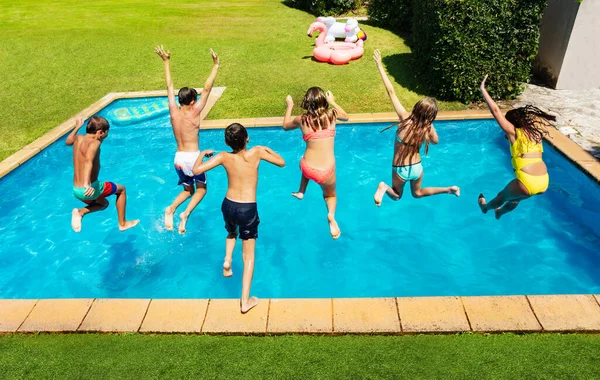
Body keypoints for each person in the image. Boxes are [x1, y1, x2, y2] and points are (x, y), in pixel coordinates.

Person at [192, 123, 285, 313]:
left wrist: (202, 154)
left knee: (231, 232)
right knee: (248, 257)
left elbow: (196, 170)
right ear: (247, 139)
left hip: (228, 205)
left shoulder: (224, 157)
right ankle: (245, 301)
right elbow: (281, 162)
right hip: (247, 208)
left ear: (227, 142)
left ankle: (227, 260)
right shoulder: (257, 152)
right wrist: (265, 148)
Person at [371, 49, 459, 206]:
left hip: (401, 168)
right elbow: (436, 141)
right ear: (431, 116)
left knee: (397, 195)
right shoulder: (427, 128)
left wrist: (379, 66)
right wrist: (429, 123)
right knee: (417, 193)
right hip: (417, 168)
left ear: (417, 108)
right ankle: (448, 190)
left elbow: (391, 92)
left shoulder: (404, 118)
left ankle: (383, 187)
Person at [155, 45, 220, 234]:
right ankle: (185, 214)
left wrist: (166, 62)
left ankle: (171, 208)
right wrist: (215, 65)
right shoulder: (195, 111)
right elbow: (207, 88)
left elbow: (169, 86)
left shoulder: (173, 112)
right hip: (193, 158)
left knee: (187, 190)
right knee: (201, 190)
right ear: (192, 101)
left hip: (178, 159)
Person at [478, 74, 555, 219]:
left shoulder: (515, 133)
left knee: (501, 196)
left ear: (513, 123)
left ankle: (485, 208)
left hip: (528, 181)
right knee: (515, 198)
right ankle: (500, 213)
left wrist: (483, 90)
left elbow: (495, 111)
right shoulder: (535, 134)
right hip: (544, 181)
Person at [282, 87, 349, 239]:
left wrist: (289, 106)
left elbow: (285, 126)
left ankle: (301, 191)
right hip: (326, 172)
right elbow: (347, 117)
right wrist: (333, 102)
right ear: (323, 101)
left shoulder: (302, 119)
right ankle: (331, 216)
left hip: (306, 167)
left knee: (306, 163)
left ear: (307, 102)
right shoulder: (332, 114)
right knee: (330, 195)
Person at [66, 116, 139, 232]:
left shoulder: (78, 138)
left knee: (103, 204)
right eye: (105, 135)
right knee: (122, 190)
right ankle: (123, 223)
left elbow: (68, 141)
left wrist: (77, 127)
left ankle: (80, 212)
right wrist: (87, 184)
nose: (105, 137)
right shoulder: (95, 143)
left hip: (76, 190)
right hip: (89, 189)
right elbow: (88, 161)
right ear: (100, 132)